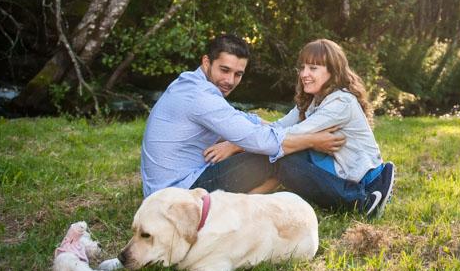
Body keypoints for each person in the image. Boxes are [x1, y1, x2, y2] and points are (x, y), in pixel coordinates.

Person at [205, 39, 395, 218]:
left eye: (313, 68)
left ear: (333, 71)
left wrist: (237, 145)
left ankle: (361, 202)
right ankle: (243, 201)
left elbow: (289, 135)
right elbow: (278, 127)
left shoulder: (341, 102)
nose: (304, 74)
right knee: (280, 152)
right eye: (302, 67)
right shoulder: (313, 101)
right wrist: (236, 131)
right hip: (338, 169)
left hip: (363, 180)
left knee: (284, 155)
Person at [139, 33, 345, 198]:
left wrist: (273, 128)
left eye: (238, 74)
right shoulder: (201, 97)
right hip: (179, 195)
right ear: (206, 62)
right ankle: (350, 197)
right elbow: (261, 142)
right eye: (224, 70)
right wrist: (312, 141)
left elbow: (238, 119)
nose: (230, 80)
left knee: (259, 149)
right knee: (276, 158)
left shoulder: (191, 83)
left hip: (165, 191)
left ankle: (244, 203)